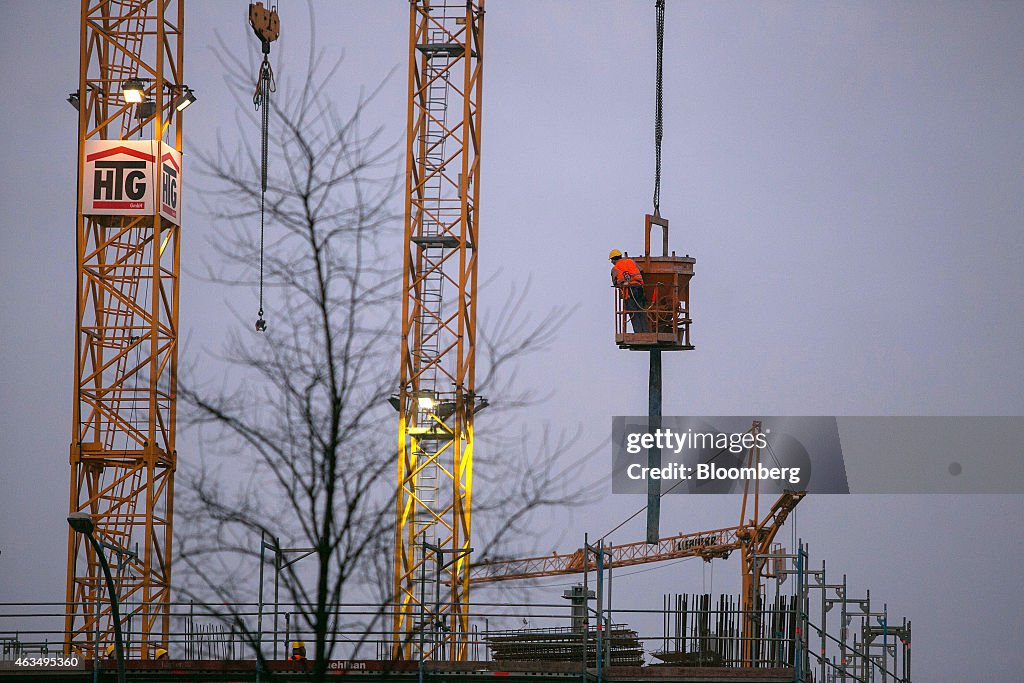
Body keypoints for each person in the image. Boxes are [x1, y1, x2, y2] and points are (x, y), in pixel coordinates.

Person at [609, 249, 649, 333]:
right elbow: (641, 271)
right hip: (639, 288)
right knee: (641, 310)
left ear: (613, 259)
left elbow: (615, 283)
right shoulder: (631, 261)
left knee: (633, 312)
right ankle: (646, 331)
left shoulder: (615, 268)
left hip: (629, 291)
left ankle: (638, 332)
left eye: (611, 260)